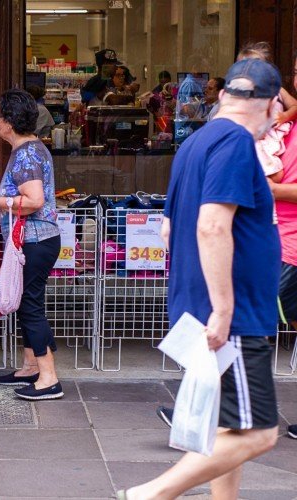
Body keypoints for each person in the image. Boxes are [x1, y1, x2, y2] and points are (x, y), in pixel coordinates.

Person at [122, 58, 282, 500]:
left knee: (228, 424)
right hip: (231, 317)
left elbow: (170, 227)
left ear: (226, 94)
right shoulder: (234, 141)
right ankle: (148, 495)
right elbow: (212, 225)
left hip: (200, 311)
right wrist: (225, 309)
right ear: (269, 105)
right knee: (259, 432)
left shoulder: (196, 142)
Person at [0, 89, 63, 401]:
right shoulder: (30, 150)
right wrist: (1, 192)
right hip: (37, 239)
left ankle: (49, 377)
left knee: (30, 306)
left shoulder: (27, 154)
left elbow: (34, 200)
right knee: (28, 302)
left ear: (10, 121)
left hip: (34, 239)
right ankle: (31, 366)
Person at [263, 53, 297, 441]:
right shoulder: (284, 123)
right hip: (278, 239)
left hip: (287, 245)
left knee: (246, 323)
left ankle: (210, 410)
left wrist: (268, 189)